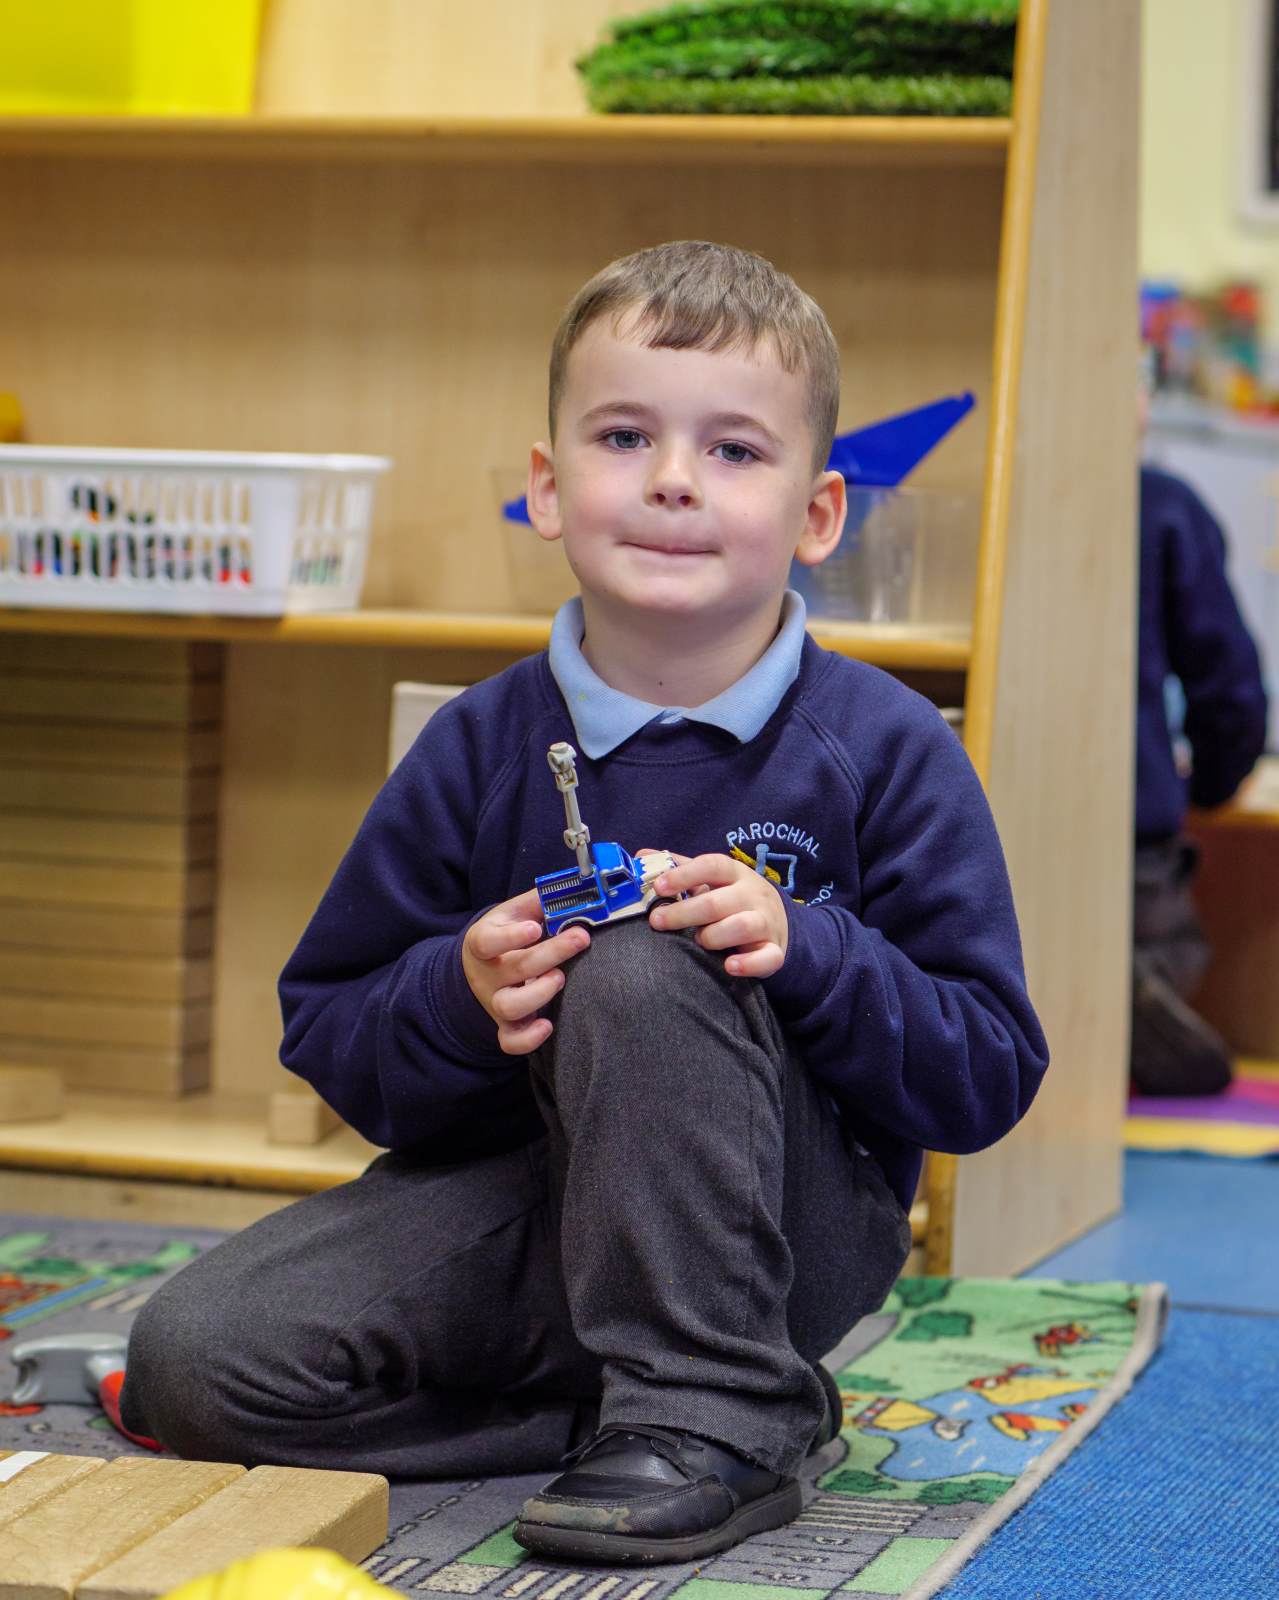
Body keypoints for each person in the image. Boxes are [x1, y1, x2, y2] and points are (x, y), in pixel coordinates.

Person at [120, 240, 1048, 1564]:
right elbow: (330, 1029)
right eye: (624, 436)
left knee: (643, 961)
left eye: (733, 450)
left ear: (817, 514)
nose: (672, 477)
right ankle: (632, 1416)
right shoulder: (475, 742)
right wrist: (458, 992)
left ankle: (716, 1407)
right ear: (548, 490)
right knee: (194, 1365)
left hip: (776, 1236)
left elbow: (986, 1073)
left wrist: (808, 950)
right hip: (529, 1217)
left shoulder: (885, 747)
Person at [1131, 461, 1269, 1096]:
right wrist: (1210, 786)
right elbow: (1230, 688)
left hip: (995, 821)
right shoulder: (1160, 502)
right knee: (1177, 943)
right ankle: (1136, 982)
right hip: (1134, 838)